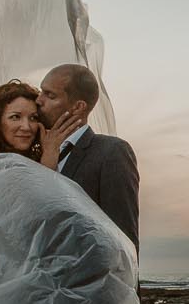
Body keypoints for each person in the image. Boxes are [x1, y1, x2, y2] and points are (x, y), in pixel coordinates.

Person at [38, 63, 139, 250]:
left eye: (50, 95)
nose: (38, 100)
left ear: (78, 107)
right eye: (40, 91)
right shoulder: (35, 153)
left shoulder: (111, 152)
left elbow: (123, 238)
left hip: (88, 277)